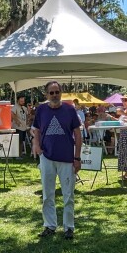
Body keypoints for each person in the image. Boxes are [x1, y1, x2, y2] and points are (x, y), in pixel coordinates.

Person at [31, 80, 82, 240]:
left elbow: (78, 134)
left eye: (57, 92)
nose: (54, 95)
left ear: (61, 93)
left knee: (68, 195)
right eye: (51, 92)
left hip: (67, 158)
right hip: (47, 157)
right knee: (47, 195)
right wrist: (37, 146)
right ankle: (49, 225)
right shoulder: (41, 110)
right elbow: (36, 130)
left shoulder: (69, 110)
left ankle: (69, 227)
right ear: (46, 94)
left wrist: (77, 157)